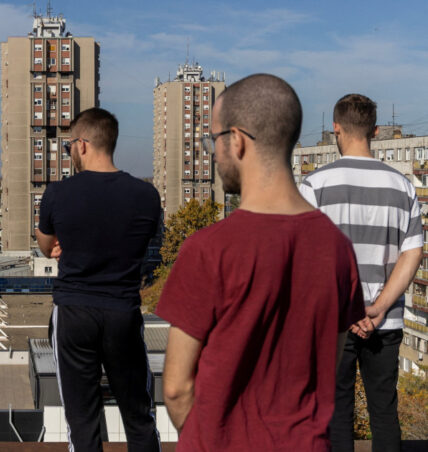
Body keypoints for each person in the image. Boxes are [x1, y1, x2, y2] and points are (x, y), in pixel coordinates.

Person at [155, 74, 366, 451]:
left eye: (215, 140)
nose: (213, 152)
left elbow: (175, 388)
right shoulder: (338, 249)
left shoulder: (207, 249)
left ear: (236, 141)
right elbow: (326, 368)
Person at [300, 93, 422, 452]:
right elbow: (412, 252)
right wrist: (380, 307)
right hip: (385, 322)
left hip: (334, 321)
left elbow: (309, 258)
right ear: (376, 130)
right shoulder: (402, 185)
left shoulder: (316, 185)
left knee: (337, 415)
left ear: (335, 128)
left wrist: (349, 308)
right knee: (384, 411)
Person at [35, 107, 161, 451]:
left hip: (74, 313)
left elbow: (47, 247)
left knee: (82, 420)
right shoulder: (146, 196)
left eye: (69, 147)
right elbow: (141, 242)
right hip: (122, 313)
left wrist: (67, 241)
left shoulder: (57, 194)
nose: (70, 153)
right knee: (138, 417)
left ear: (83, 144)